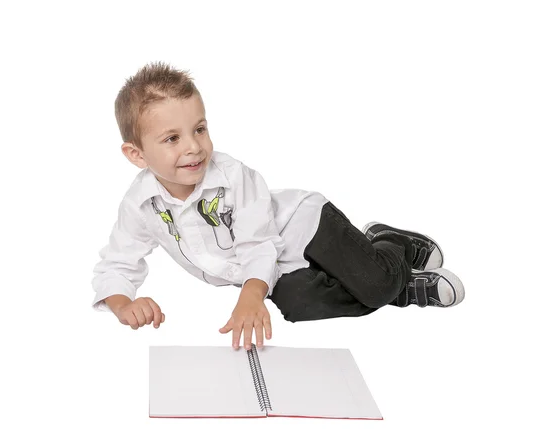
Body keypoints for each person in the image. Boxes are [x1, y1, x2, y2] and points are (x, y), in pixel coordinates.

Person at [91, 62, 465, 351]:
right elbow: (117, 263)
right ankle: (392, 283)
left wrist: (249, 298)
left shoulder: (234, 176)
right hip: (270, 269)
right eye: (172, 138)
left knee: (375, 283)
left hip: (304, 226)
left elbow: (258, 244)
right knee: (298, 307)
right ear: (136, 154)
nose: (193, 146)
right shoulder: (140, 205)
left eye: (199, 129)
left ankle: (391, 248)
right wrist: (124, 304)